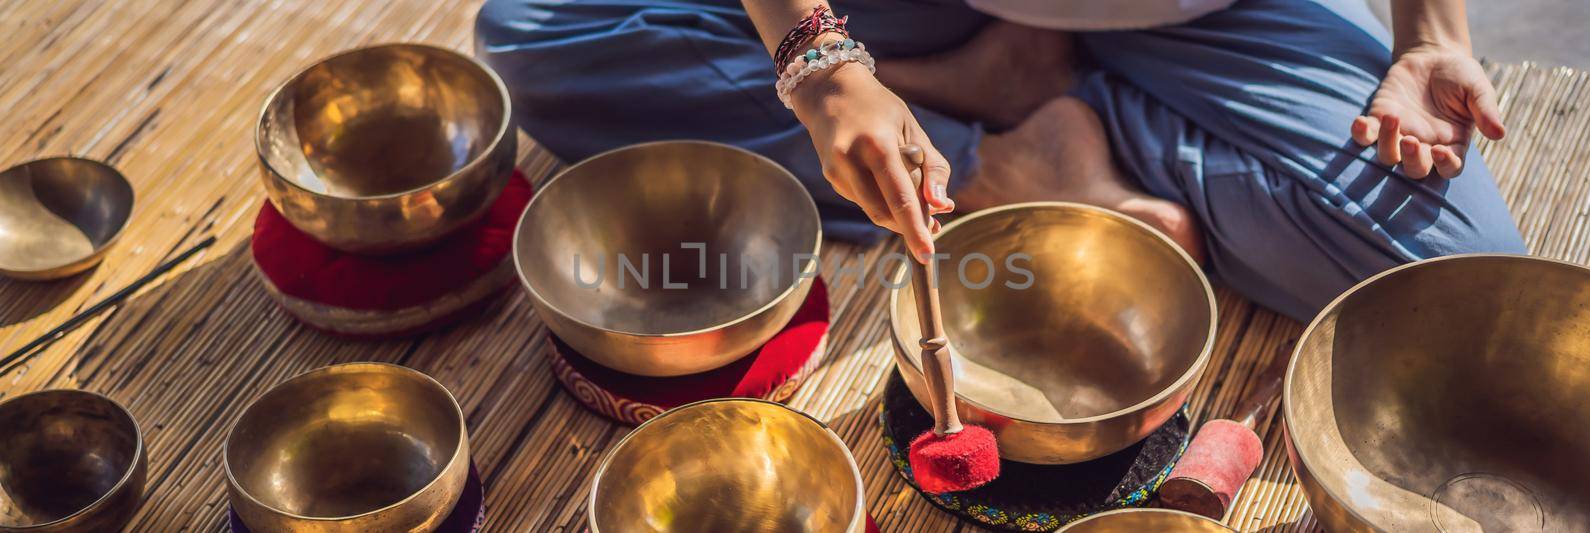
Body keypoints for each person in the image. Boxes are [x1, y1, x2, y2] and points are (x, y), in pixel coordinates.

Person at [475, 0, 1526, 321]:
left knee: (1453, 288)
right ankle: (989, 139)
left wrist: (1429, 32)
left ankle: (1037, 91)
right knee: (533, 37)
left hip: (1198, 12)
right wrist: (817, 55)